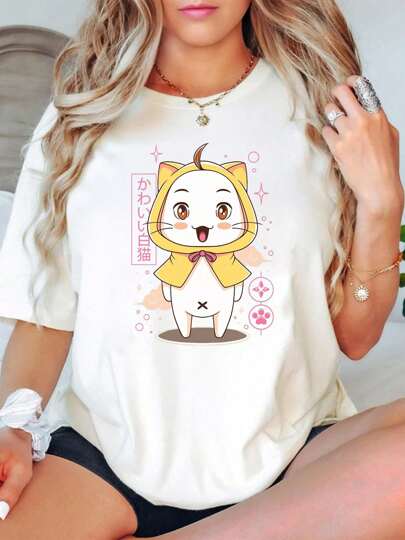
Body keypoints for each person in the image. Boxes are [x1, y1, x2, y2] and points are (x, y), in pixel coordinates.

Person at [0, 0, 403, 538]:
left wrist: (382, 202)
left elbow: (355, 336)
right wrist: (13, 426)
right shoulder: (80, 114)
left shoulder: (321, 112)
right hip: (105, 464)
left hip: (293, 457)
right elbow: (43, 318)